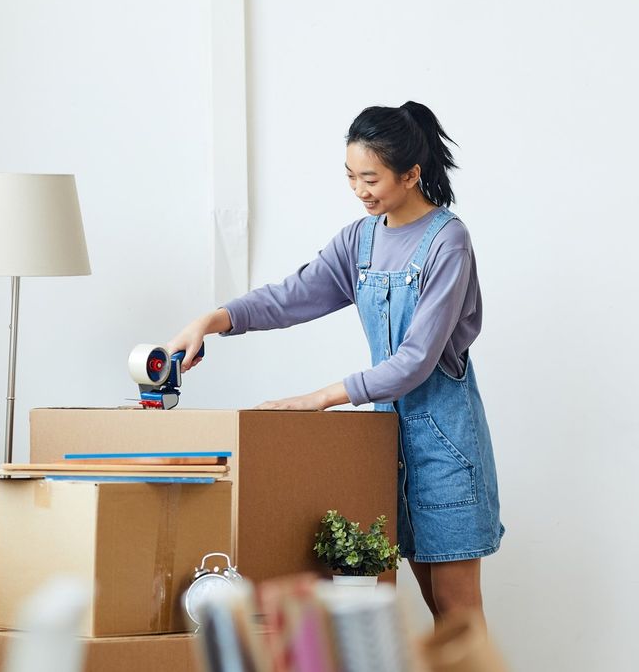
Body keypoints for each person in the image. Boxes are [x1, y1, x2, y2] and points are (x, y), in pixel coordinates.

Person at [166, 101, 504, 625]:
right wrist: (212, 320)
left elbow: (416, 361)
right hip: (385, 447)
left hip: (446, 448)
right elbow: (292, 296)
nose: (360, 190)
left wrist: (318, 398)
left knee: (458, 612)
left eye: (371, 178)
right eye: (351, 177)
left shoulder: (447, 241)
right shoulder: (360, 240)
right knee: (427, 607)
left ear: (411, 174)